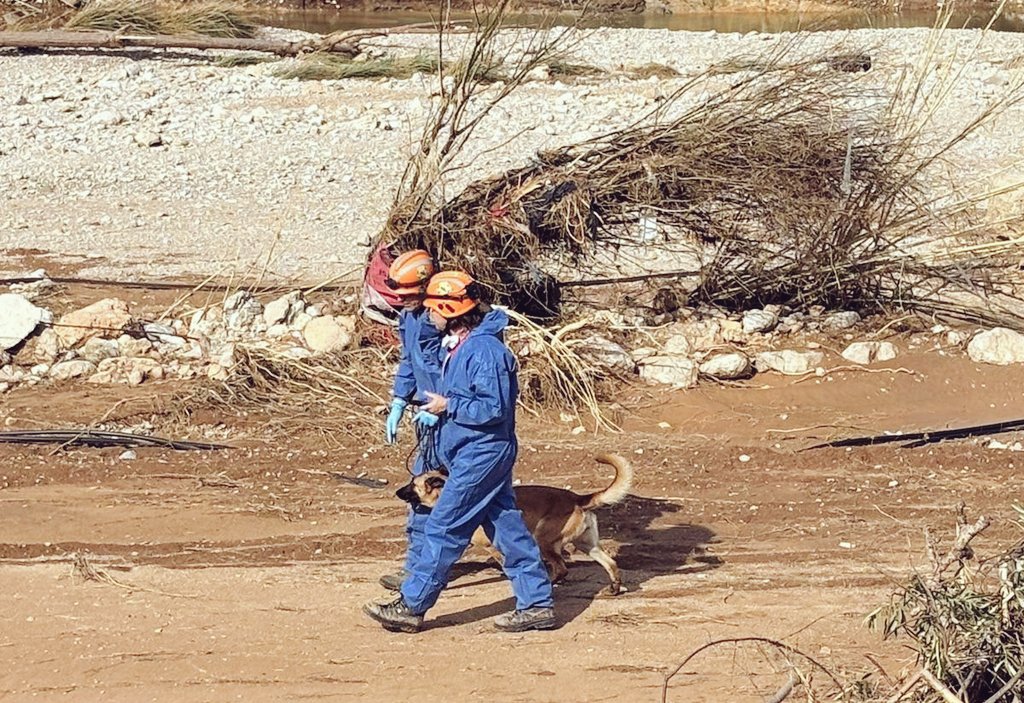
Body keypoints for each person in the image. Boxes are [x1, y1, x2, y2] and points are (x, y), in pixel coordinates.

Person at [363, 271, 555, 634]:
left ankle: (411, 605)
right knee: (506, 528)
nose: (427, 314)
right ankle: (537, 604)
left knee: (443, 526)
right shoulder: (459, 343)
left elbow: (493, 409)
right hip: (470, 449)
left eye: (434, 307)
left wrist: (447, 406)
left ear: (451, 310)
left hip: (481, 452)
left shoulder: (484, 351)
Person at [379, 249, 444, 592]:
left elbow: (459, 373)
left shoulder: (447, 318)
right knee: (420, 494)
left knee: (480, 497)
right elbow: (409, 360)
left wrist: (446, 407)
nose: (400, 300)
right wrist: (400, 400)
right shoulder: (410, 316)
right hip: (427, 419)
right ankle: (418, 566)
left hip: (455, 421)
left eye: (406, 294)